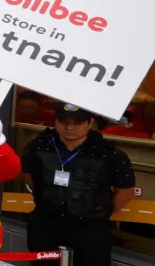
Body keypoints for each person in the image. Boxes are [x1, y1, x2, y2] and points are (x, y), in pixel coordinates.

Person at [22, 104, 136, 266]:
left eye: (77, 123)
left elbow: (125, 192)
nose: (69, 127)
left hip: (91, 227)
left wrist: (99, 212)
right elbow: (29, 177)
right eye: (63, 121)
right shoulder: (38, 146)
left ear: (90, 123)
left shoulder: (109, 152)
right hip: (45, 223)